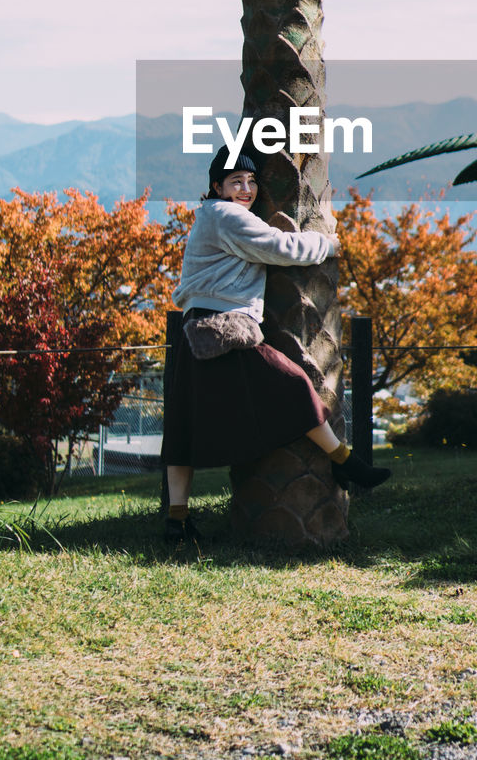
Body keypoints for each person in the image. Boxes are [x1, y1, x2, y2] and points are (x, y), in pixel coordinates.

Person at [162, 145, 390, 542]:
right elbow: (279, 248)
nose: (246, 189)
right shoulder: (225, 215)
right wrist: (328, 244)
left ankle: (176, 522)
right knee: (294, 384)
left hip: (199, 330)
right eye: (236, 181)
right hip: (223, 330)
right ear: (216, 186)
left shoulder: (216, 216)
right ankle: (346, 462)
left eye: (251, 181)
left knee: (183, 427)